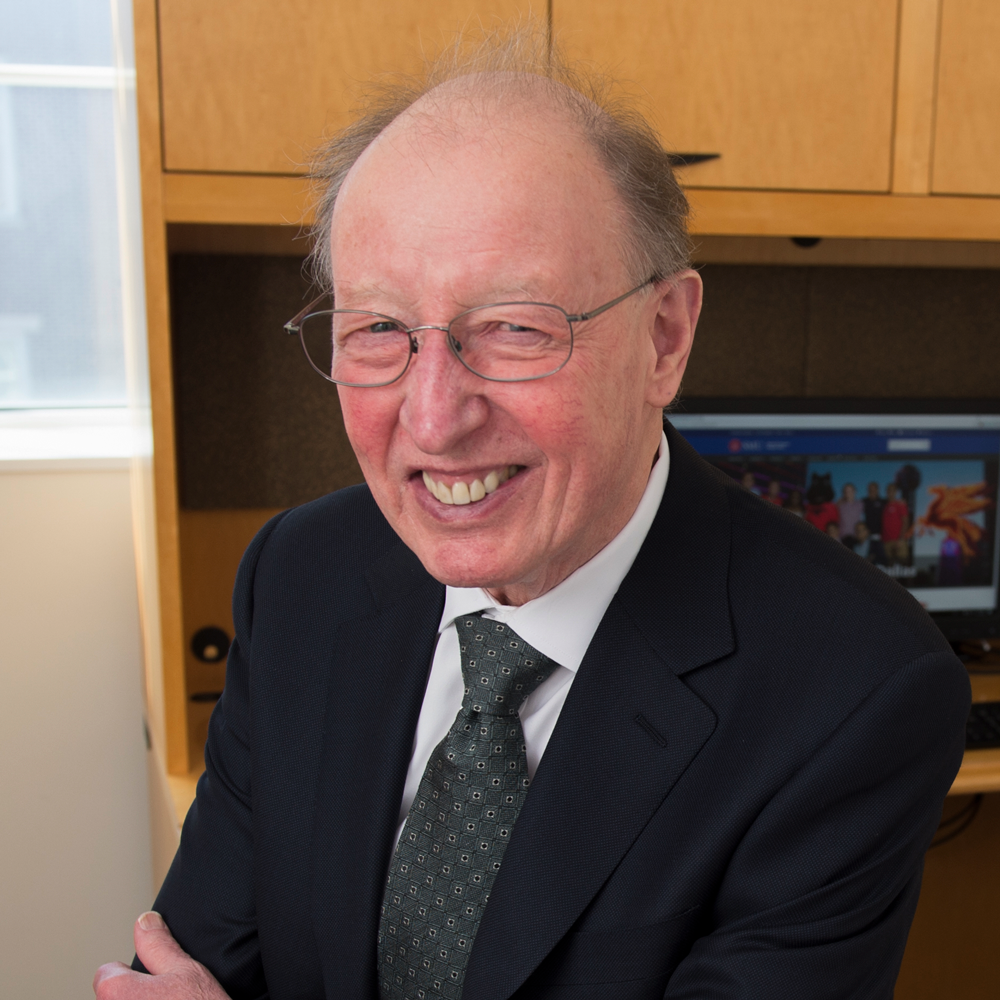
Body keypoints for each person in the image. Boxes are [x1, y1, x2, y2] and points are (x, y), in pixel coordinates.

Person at [94, 26, 968, 1000]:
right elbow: (182, 969)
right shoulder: (300, 573)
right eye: (378, 328)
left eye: (514, 327)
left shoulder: (855, 688)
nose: (431, 417)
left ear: (664, 339)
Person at [883, 482, 911, 565]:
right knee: (889, 569)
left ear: (896, 492)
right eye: (888, 491)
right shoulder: (885, 506)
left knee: (903, 566)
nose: (890, 493)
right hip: (886, 542)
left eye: (892, 491)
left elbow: (905, 522)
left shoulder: (900, 505)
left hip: (898, 541)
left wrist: (901, 539)